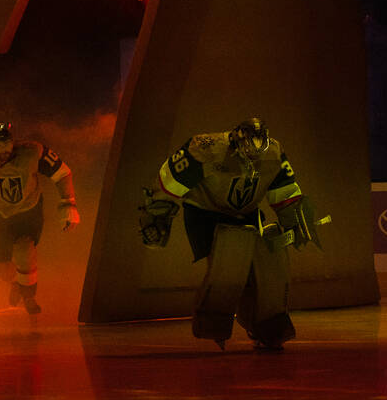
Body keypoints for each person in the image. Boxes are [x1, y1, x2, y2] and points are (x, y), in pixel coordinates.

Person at [138, 118, 322, 351]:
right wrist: (156, 217)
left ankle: (268, 324)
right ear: (235, 143)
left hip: (246, 213)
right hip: (205, 213)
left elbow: (285, 191)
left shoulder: (273, 152)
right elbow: (170, 180)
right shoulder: (203, 148)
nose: (252, 163)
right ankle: (213, 321)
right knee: (229, 265)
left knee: (270, 264)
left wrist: (295, 220)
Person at [0, 122, 80, 315]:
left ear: (13, 142)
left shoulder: (32, 152)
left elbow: (62, 172)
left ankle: (29, 297)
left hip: (28, 212)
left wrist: (68, 204)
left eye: (6, 147)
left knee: (25, 251)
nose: (4, 154)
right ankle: (17, 283)